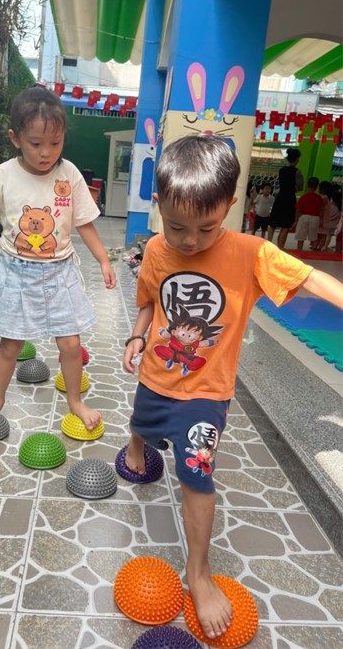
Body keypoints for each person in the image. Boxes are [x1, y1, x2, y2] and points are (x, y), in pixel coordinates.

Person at [122, 135, 343, 642]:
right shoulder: (155, 249)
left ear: (229, 205)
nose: (189, 241)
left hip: (207, 392)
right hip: (156, 375)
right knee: (142, 423)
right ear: (158, 205)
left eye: (205, 228)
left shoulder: (251, 252)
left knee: (196, 475)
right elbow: (150, 300)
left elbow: (311, 279)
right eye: (176, 226)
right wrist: (137, 336)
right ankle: (136, 446)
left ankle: (198, 573)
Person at [0, 86, 116, 429]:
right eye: (36, 143)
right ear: (16, 138)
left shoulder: (69, 175)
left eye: (55, 143)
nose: (46, 152)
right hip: (16, 272)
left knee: (71, 344)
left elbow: (84, 223)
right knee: (10, 345)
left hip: (60, 272)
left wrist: (103, 259)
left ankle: (75, 401)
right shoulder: (4, 176)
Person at [267, 147, 304, 249]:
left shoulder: (281, 170)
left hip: (280, 197)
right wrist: (294, 188)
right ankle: (280, 247)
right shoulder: (297, 172)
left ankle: (267, 244)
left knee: (273, 223)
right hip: (289, 199)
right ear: (296, 159)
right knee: (286, 225)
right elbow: (300, 186)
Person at [293, 176, 324, 251]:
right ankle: (313, 250)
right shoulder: (319, 198)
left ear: (307, 186)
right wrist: (321, 220)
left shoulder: (303, 197)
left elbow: (298, 210)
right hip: (315, 218)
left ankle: (299, 250)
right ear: (317, 187)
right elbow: (321, 210)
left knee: (300, 237)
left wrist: (296, 220)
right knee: (313, 237)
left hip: (304, 217)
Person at [314, 181, 337, 251]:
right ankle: (319, 247)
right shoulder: (329, 198)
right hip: (326, 218)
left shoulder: (323, 198)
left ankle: (317, 247)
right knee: (323, 234)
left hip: (322, 218)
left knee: (320, 234)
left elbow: (320, 208)